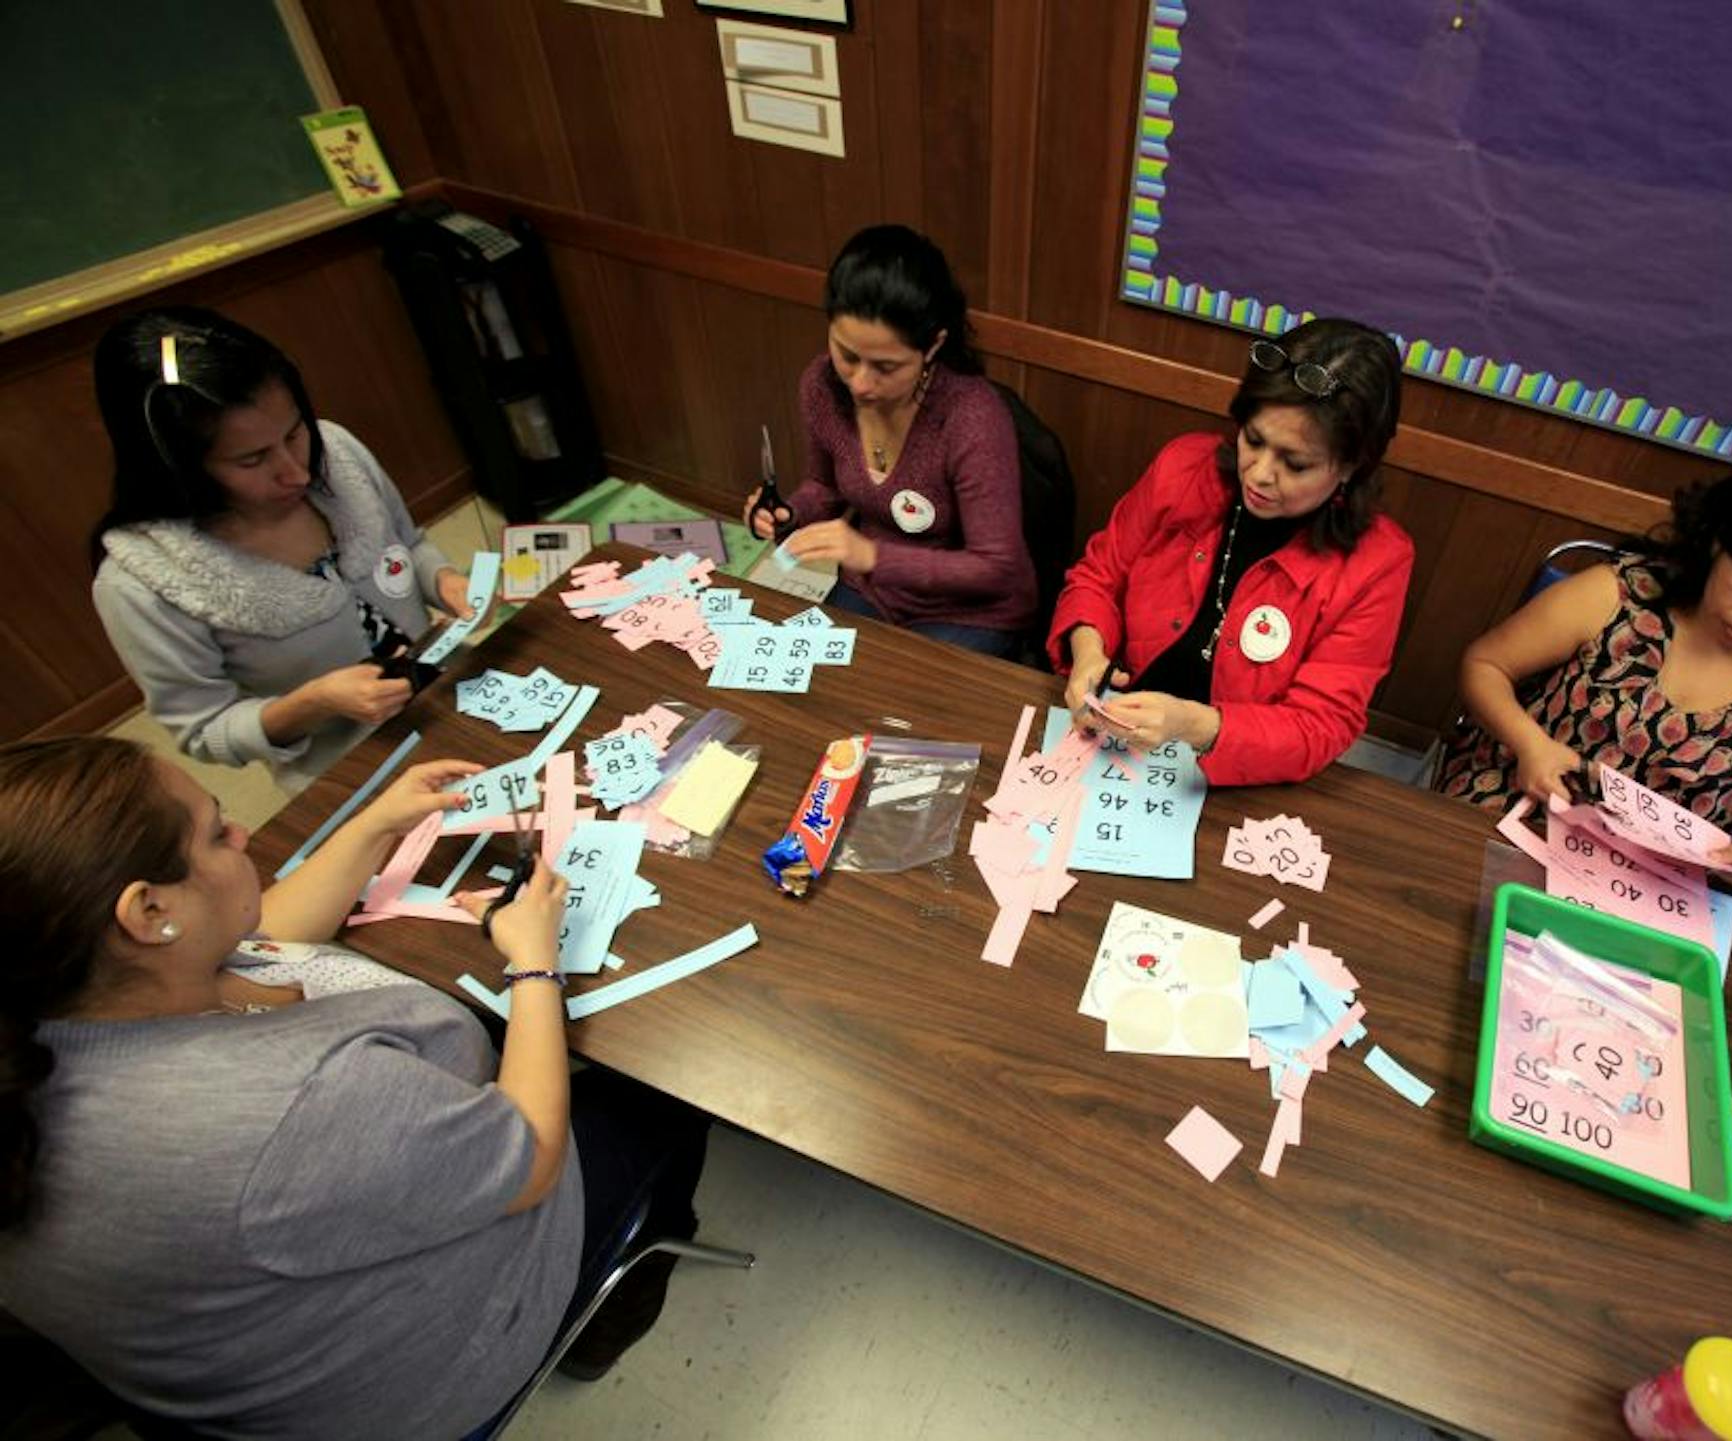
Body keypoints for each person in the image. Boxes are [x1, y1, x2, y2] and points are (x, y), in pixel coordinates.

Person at [0, 737, 710, 1438]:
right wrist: (534, 960)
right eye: (217, 833)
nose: (242, 833)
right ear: (150, 913)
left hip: (258, 1366)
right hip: (423, 1377)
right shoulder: (290, 1109)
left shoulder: (60, 1000)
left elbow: (261, 941)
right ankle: (609, 1316)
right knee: (667, 1085)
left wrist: (377, 823)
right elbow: (531, 1155)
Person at [1438, 450, 1732, 875]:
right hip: (1513, 807)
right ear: (1721, 540)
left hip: (1651, 874)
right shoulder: (1618, 597)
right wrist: (1531, 745)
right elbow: (1486, 664)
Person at [90, 307, 479, 792]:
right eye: (252, 459)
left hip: (454, 689)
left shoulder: (336, 453)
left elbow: (407, 545)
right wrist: (313, 703)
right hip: (349, 766)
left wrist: (445, 581)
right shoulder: (141, 584)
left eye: (294, 432)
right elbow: (204, 729)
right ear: (175, 466)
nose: (296, 472)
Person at [1048, 317, 1414, 786]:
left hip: (1230, 776)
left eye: (1295, 464)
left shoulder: (1378, 562)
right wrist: (1087, 652)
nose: (1259, 474)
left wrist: (1194, 725)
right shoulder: (1184, 468)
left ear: (1351, 466)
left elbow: (1321, 724)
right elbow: (1099, 575)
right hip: (1110, 731)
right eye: (1253, 440)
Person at [746, 224, 1034, 657]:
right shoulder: (823, 386)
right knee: (816, 680)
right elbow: (823, 487)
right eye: (847, 355)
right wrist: (789, 514)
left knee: (904, 697)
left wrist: (873, 556)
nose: (860, 383)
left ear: (933, 346)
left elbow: (997, 567)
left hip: (970, 611)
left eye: (885, 367)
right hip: (875, 591)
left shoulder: (972, 416)